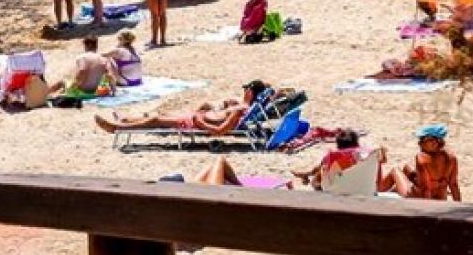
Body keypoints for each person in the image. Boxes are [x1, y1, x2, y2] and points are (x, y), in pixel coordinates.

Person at [94, 81, 268, 136]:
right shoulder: (242, 106)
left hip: (195, 123)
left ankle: (116, 128)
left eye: (246, 89)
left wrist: (201, 121)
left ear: (251, 93)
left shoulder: (239, 110)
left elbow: (220, 131)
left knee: (156, 120)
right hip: (196, 118)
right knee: (158, 115)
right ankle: (124, 120)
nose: (243, 91)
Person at [379, 124, 461, 200]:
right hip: (441, 198)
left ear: (434, 142)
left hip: (419, 198)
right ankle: (396, 189)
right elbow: (453, 185)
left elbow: (426, 189)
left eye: (423, 140)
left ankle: (381, 189)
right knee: (407, 168)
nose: (419, 143)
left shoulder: (421, 158)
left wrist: (426, 211)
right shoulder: (451, 158)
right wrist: (459, 209)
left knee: (395, 170)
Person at [292, 129, 373, 193]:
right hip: (363, 189)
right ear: (356, 143)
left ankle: (307, 175)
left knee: (321, 171)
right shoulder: (368, 156)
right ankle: (307, 174)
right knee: (324, 167)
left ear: (338, 145)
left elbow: (319, 181)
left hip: (337, 191)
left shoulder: (333, 157)